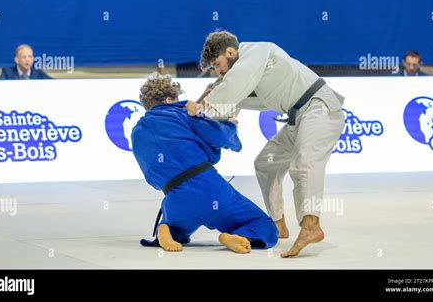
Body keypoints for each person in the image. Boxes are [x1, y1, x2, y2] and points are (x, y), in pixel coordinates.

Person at [186, 31, 345, 258]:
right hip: (298, 117)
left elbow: (231, 87)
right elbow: (229, 95)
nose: (218, 71)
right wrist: (203, 103)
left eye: (218, 64)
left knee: (304, 164)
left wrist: (202, 107)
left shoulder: (258, 51)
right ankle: (278, 224)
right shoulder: (246, 71)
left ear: (230, 52)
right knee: (265, 164)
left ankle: (311, 225)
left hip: (320, 108)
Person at [131, 74, 278, 253]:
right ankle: (240, 235)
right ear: (169, 99)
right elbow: (221, 137)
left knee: (178, 227)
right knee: (263, 224)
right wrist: (230, 125)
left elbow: (154, 173)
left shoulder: (137, 132)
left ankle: (168, 228)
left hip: (174, 198)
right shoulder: (185, 113)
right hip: (209, 188)